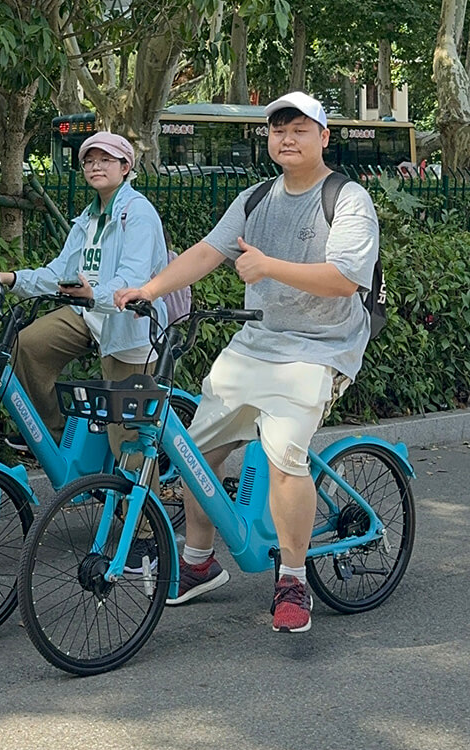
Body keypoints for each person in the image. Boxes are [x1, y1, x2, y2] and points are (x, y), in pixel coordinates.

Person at [114, 91, 379, 633]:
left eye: (300, 128)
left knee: (284, 457)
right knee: (195, 451)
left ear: (324, 137)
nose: (286, 137)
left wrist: (268, 268)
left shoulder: (347, 199)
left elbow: (344, 279)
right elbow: (209, 252)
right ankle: (197, 564)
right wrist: (150, 287)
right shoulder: (255, 198)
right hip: (255, 343)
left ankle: (294, 577)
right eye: (277, 128)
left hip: (319, 347)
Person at [0, 131, 168, 571]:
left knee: (130, 433)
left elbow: (134, 278)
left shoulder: (137, 214)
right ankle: (60, 436)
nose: (96, 166)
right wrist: (11, 278)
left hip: (128, 325)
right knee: (28, 346)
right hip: (86, 314)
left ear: (126, 167)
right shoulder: (87, 219)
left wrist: (91, 292)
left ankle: (143, 532)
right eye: (89, 161)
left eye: (107, 159)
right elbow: (59, 273)